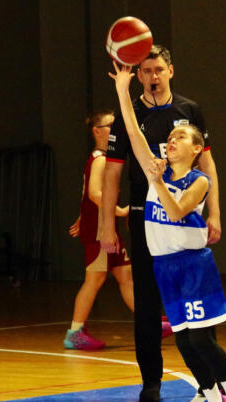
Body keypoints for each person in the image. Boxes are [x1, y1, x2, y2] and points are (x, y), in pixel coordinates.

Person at [108, 60, 226, 402]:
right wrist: (122, 91)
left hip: (192, 266)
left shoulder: (197, 180)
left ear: (196, 149)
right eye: (171, 137)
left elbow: (175, 212)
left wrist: (156, 181)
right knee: (184, 340)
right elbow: (133, 132)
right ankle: (210, 394)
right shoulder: (155, 171)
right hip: (164, 266)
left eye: (180, 138)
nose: (171, 141)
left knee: (201, 339)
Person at [100, 45, 221, 401]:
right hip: (146, 216)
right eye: (147, 70)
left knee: (194, 304)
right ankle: (151, 383)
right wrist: (107, 224)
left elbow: (208, 165)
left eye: (159, 69)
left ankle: (211, 382)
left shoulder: (189, 111)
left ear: (171, 71)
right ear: (138, 75)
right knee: (148, 303)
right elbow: (112, 173)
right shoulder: (129, 116)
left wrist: (215, 212)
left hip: (185, 215)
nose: (153, 76)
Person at [64, 110, 135, 350]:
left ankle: (151, 322)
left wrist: (83, 215)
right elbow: (94, 193)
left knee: (125, 275)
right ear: (97, 131)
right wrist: (120, 211)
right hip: (100, 229)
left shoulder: (103, 157)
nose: (116, 129)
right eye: (111, 125)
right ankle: (75, 332)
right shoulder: (100, 159)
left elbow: (88, 194)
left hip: (106, 225)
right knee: (95, 279)